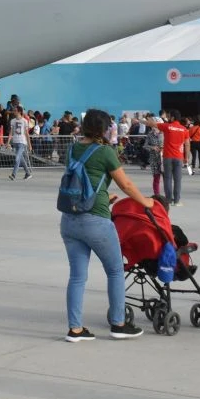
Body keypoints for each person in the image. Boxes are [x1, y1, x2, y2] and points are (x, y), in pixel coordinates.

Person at [60, 108, 151, 343]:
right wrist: (146, 202)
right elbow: (126, 185)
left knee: (77, 277)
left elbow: (84, 180)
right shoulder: (105, 152)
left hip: (69, 219)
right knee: (115, 270)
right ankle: (118, 324)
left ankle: (75, 329)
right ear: (103, 129)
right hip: (95, 220)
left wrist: (103, 195)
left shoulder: (72, 148)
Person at [152, 112, 189, 205]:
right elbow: (187, 144)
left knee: (167, 178)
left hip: (167, 156)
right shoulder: (184, 129)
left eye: (169, 117)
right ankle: (176, 201)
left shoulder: (167, 126)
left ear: (172, 118)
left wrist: (142, 120)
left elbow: (152, 124)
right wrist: (187, 157)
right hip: (179, 157)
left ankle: (168, 200)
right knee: (177, 180)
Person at [8, 104, 32, 181]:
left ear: (19, 112)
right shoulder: (12, 121)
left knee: (17, 158)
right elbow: (11, 132)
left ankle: (13, 174)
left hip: (22, 142)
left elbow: (27, 133)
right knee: (21, 159)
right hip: (15, 142)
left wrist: (29, 144)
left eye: (15, 110)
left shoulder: (24, 121)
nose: (14, 112)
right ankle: (28, 173)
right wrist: (8, 142)